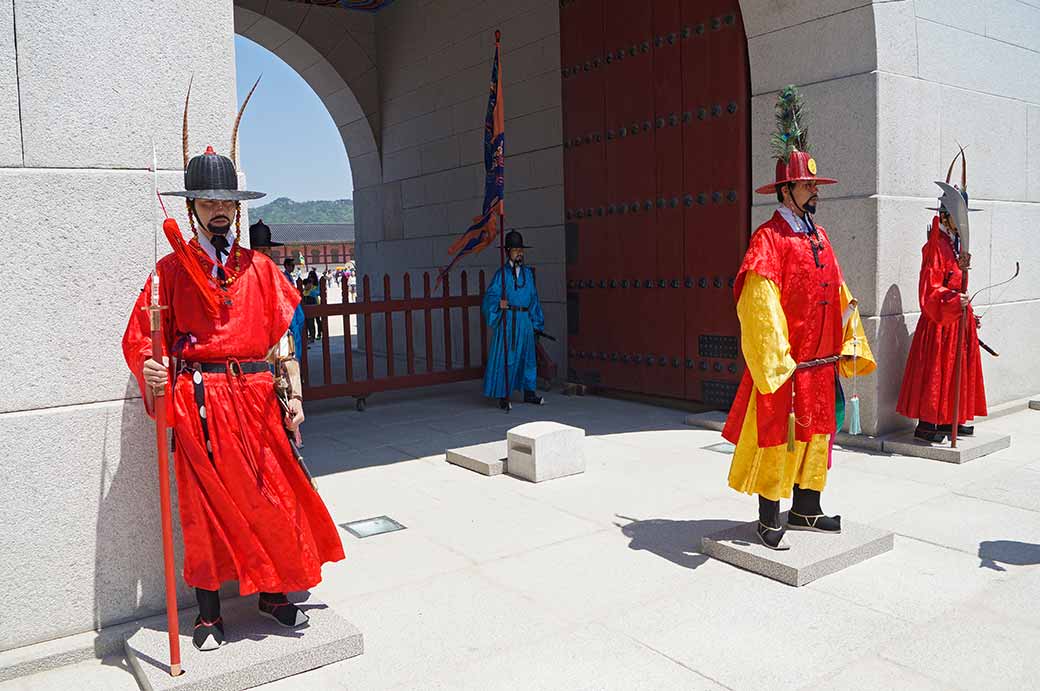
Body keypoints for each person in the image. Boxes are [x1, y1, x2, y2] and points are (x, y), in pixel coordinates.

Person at [121, 82, 344, 652]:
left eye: (229, 203)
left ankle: (273, 595)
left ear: (237, 208)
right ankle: (209, 613)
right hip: (202, 403)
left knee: (273, 498)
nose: (220, 211)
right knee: (205, 511)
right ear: (192, 207)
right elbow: (145, 339)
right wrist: (151, 369)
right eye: (209, 202)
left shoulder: (262, 271)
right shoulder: (169, 272)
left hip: (258, 400)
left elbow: (284, 343)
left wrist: (293, 396)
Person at [720, 85, 876, 550]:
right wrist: (776, 359)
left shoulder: (820, 236)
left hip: (821, 363)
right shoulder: (768, 239)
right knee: (778, 440)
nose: (814, 191)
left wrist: (850, 333)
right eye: (808, 185)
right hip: (788, 367)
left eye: (814, 185)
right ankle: (770, 516)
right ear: (787, 189)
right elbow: (758, 298)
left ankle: (807, 507)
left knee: (818, 437)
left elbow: (839, 287)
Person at [897, 149, 987, 442]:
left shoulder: (956, 246)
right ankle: (930, 423)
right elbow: (929, 288)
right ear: (946, 217)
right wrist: (950, 301)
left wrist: (967, 309)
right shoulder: (934, 247)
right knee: (937, 371)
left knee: (957, 370)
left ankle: (954, 417)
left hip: (958, 320)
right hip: (940, 322)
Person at [481, 230, 546, 410]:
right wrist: (498, 303)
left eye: (521, 250)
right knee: (507, 357)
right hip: (509, 320)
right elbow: (490, 297)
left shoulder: (528, 273)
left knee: (528, 356)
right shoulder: (501, 275)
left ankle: (529, 392)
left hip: (524, 319)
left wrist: (537, 323)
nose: (520, 253)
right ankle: (504, 393)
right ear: (508, 251)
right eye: (516, 249)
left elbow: (534, 298)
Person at [282, 257, 305, 361]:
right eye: (291, 265)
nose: (293, 268)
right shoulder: (284, 277)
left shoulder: (289, 276)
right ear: (286, 266)